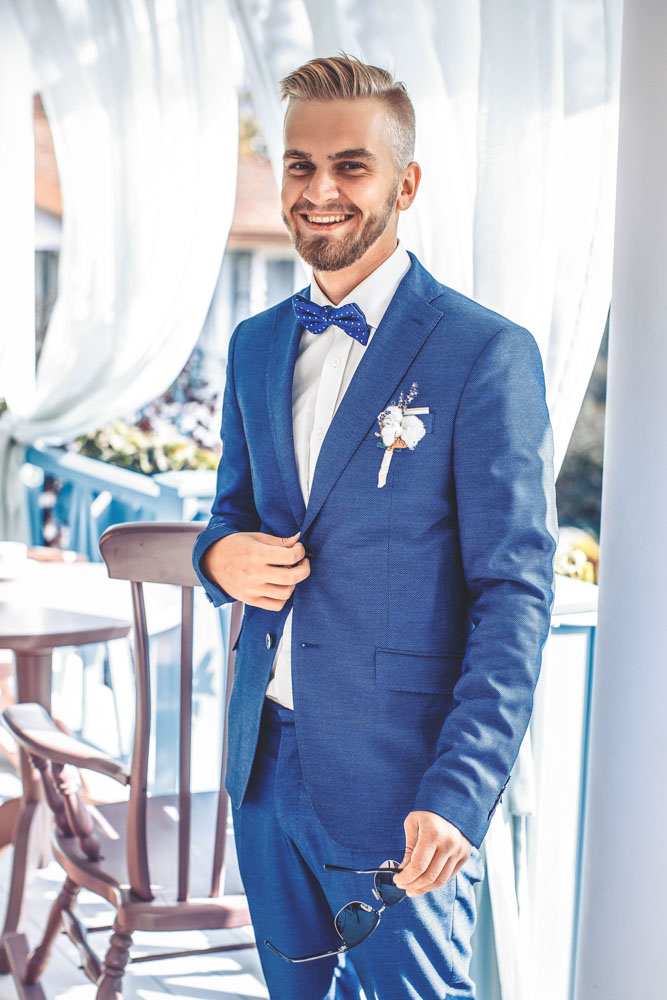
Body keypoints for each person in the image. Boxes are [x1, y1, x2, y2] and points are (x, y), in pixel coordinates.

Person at [193, 53, 557, 1000]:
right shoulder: (254, 344)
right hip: (262, 769)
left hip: (403, 786)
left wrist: (459, 793)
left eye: (349, 166)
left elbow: (515, 595)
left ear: (406, 182)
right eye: (300, 166)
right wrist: (218, 556)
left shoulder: (485, 353)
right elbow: (231, 514)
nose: (319, 191)